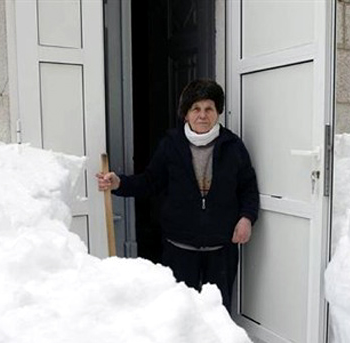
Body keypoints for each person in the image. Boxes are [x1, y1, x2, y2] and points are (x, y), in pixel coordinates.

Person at [97, 79, 259, 311]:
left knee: (219, 315)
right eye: (196, 109)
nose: (202, 115)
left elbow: (248, 188)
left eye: (209, 109)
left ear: (218, 112)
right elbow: (151, 181)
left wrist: (246, 218)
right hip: (179, 249)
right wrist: (119, 183)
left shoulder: (233, 146)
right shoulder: (171, 145)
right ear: (186, 114)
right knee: (180, 314)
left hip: (221, 250)